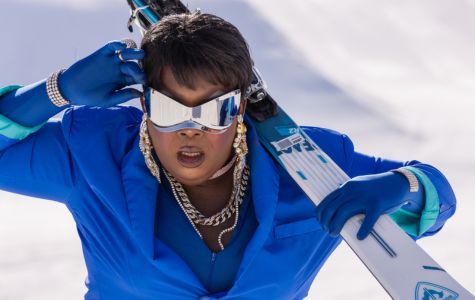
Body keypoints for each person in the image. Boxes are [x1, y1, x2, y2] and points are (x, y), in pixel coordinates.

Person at [0, 12, 456, 300]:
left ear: (239, 108)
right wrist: (53, 91)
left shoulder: (313, 164)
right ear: (143, 104)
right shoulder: (89, 154)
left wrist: (406, 185)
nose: (188, 129)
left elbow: (435, 198)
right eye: (168, 107)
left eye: (212, 109)